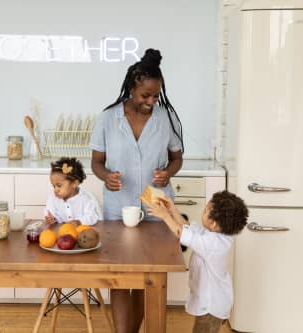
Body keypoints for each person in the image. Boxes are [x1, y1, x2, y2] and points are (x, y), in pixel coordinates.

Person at [89, 48, 184, 332]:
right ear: (132, 88)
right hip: (118, 207)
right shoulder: (108, 118)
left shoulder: (167, 117)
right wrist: (106, 177)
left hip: (156, 208)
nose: (151, 101)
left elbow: (177, 157)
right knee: (118, 275)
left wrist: (168, 173)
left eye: (156, 95)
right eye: (146, 95)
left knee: (148, 274)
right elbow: (96, 162)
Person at [146, 191, 249, 333]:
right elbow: (186, 227)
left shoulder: (213, 244)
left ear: (213, 223)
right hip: (213, 302)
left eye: (206, 210)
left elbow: (180, 233)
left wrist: (164, 216)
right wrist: (172, 209)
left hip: (211, 306)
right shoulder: (213, 235)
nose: (203, 210)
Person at [44, 157, 99, 226]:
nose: (55, 190)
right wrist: (52, 218)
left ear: (74, 183)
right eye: (53, 186)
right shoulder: (53, 198)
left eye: (59, 185)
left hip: (81, 233)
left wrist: (79, 222)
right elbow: (49, 212)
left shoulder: (86, 199)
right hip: (62, 233)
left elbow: (92, 217)